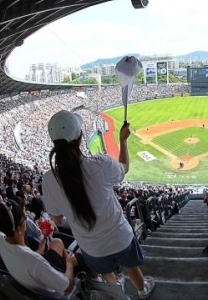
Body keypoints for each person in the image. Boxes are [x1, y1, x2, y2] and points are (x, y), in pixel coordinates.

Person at [42, 110, 155, 299]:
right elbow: (124, 168)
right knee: (131, 267)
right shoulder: (100, 164)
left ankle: (117, 291)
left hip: (91, 247)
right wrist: (123, 140)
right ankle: (142, 291)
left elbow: (56, 218)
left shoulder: (48, 180)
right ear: (79, 137)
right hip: (120, 237)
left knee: (106, 271)